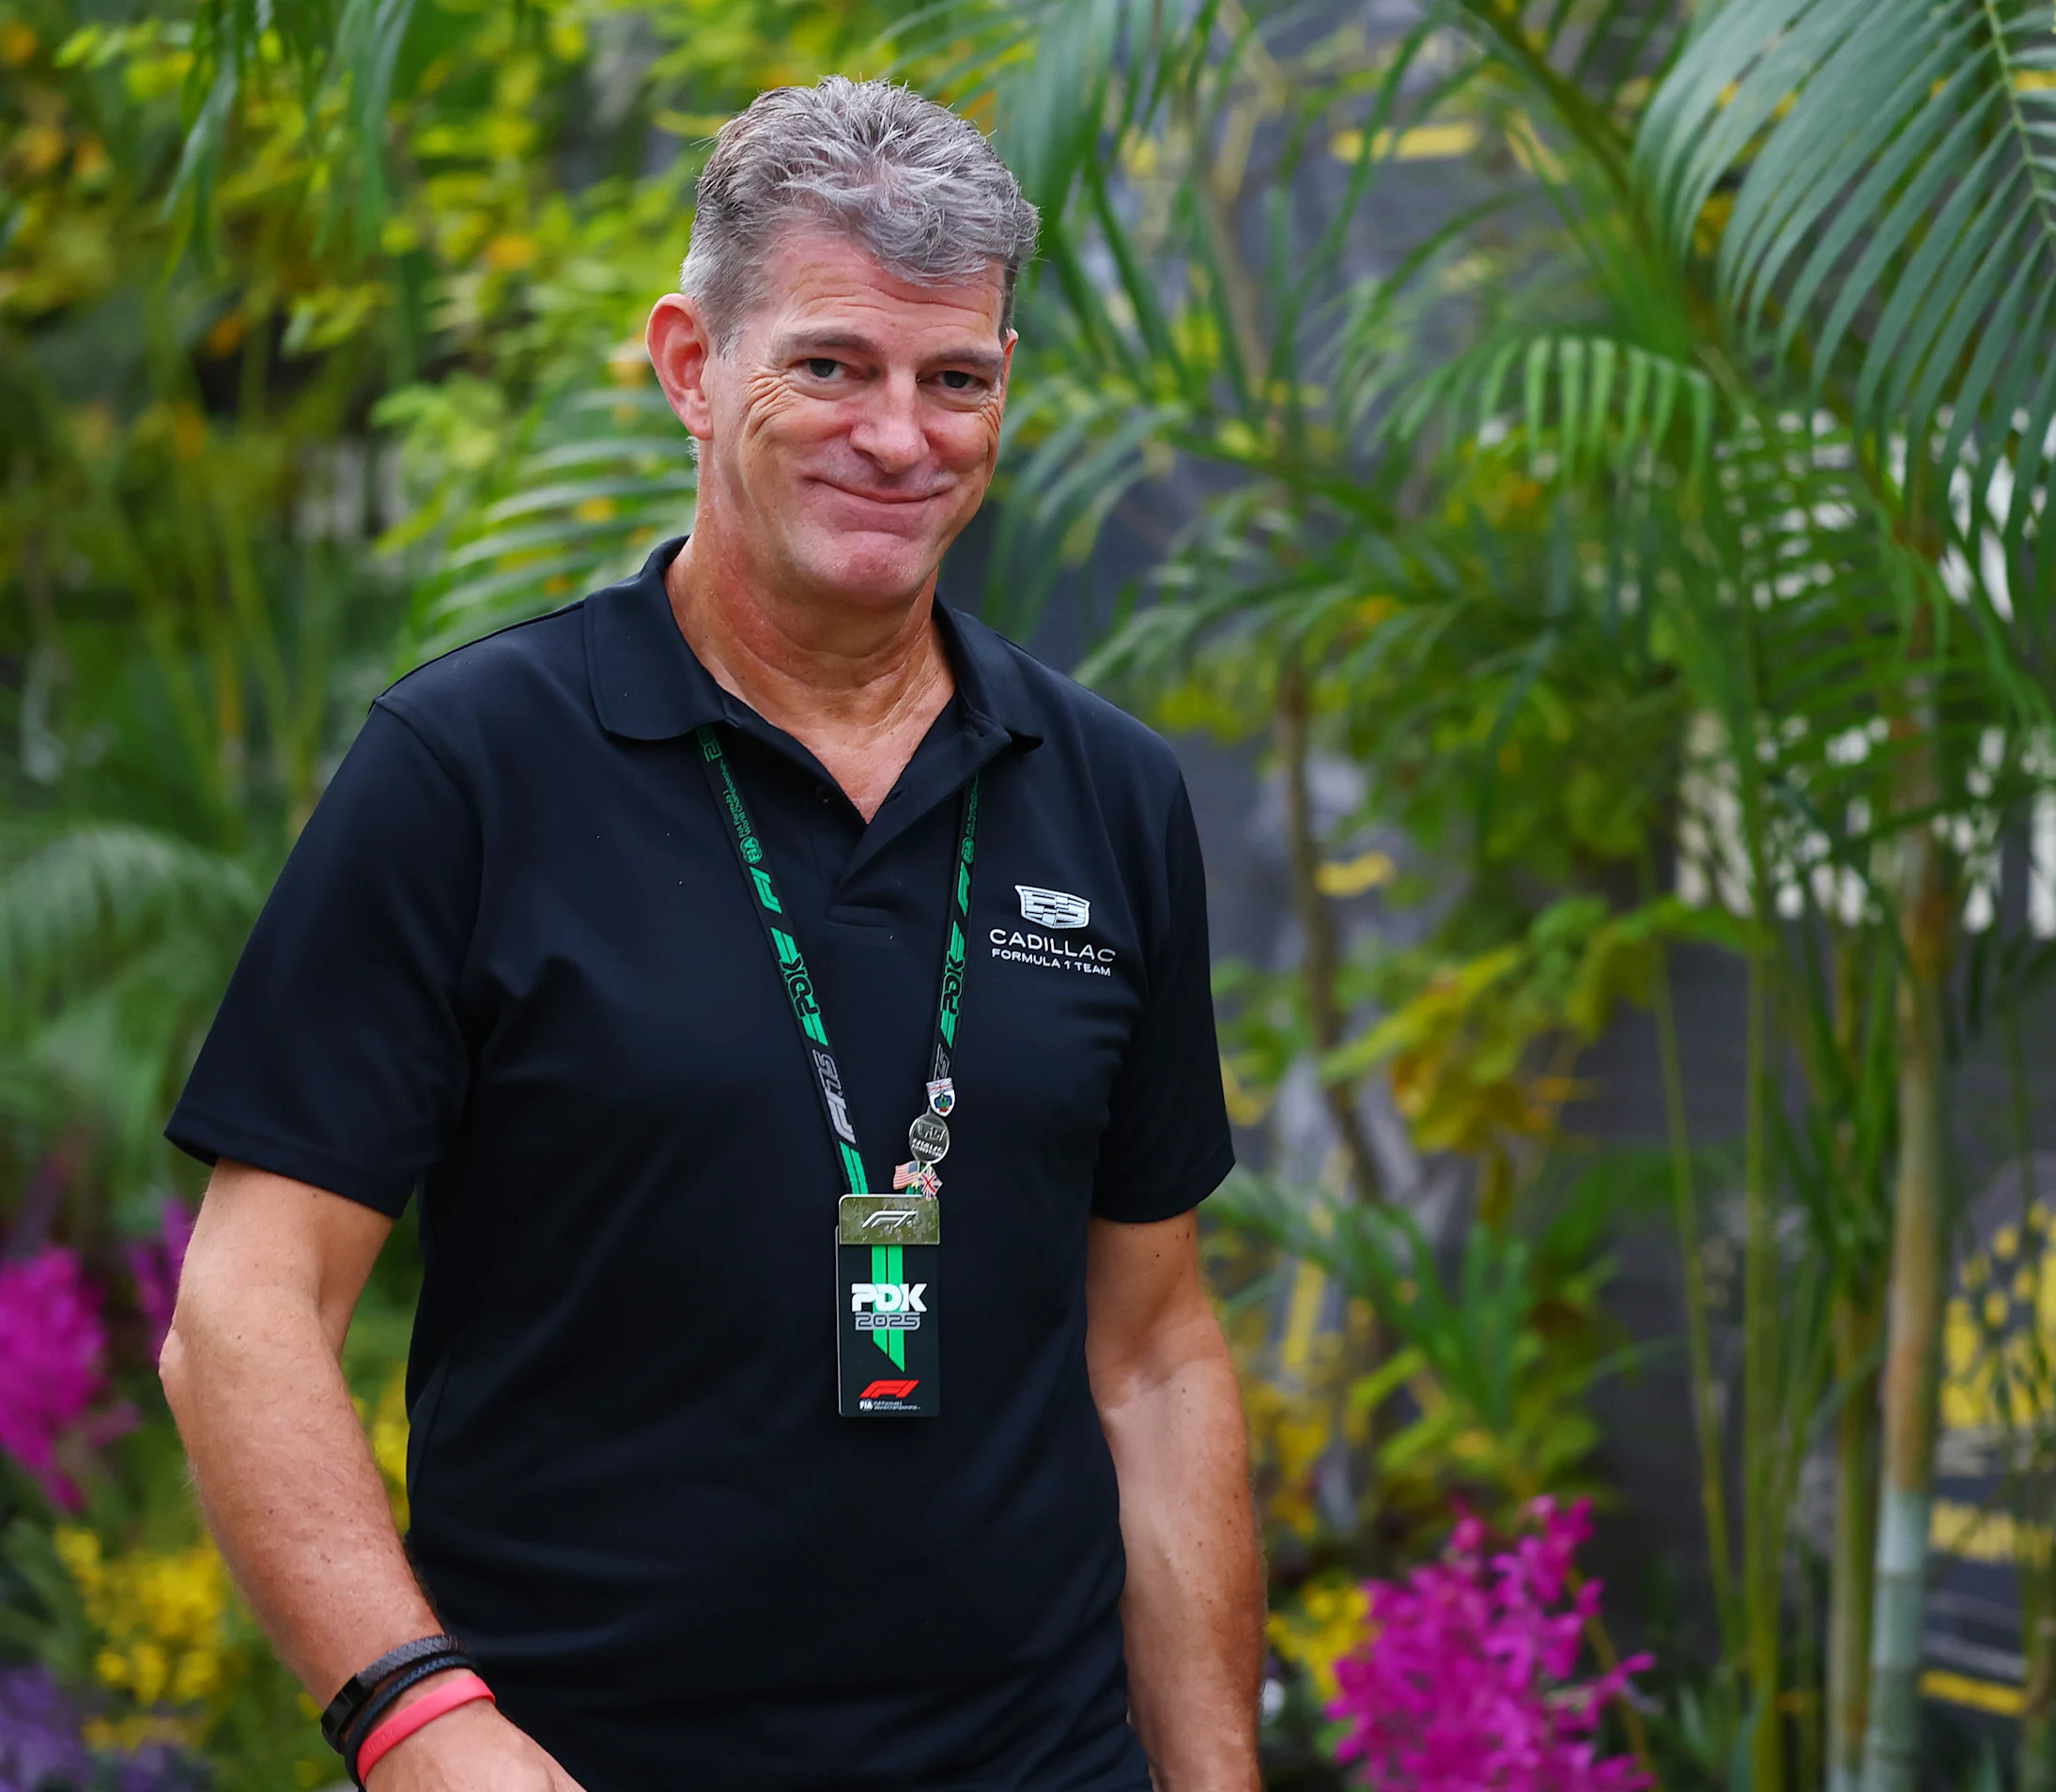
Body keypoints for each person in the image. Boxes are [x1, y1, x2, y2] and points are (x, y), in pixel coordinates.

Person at [158, 78, 1259, 1792]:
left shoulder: (1107, 791)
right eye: (831, 365)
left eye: (954, 378)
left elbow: (1154, 1353)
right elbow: (244, 1305)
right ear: (690, 365)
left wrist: (1213, 1778)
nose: (902, 437)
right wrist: (425, 1729)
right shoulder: (472, 770)